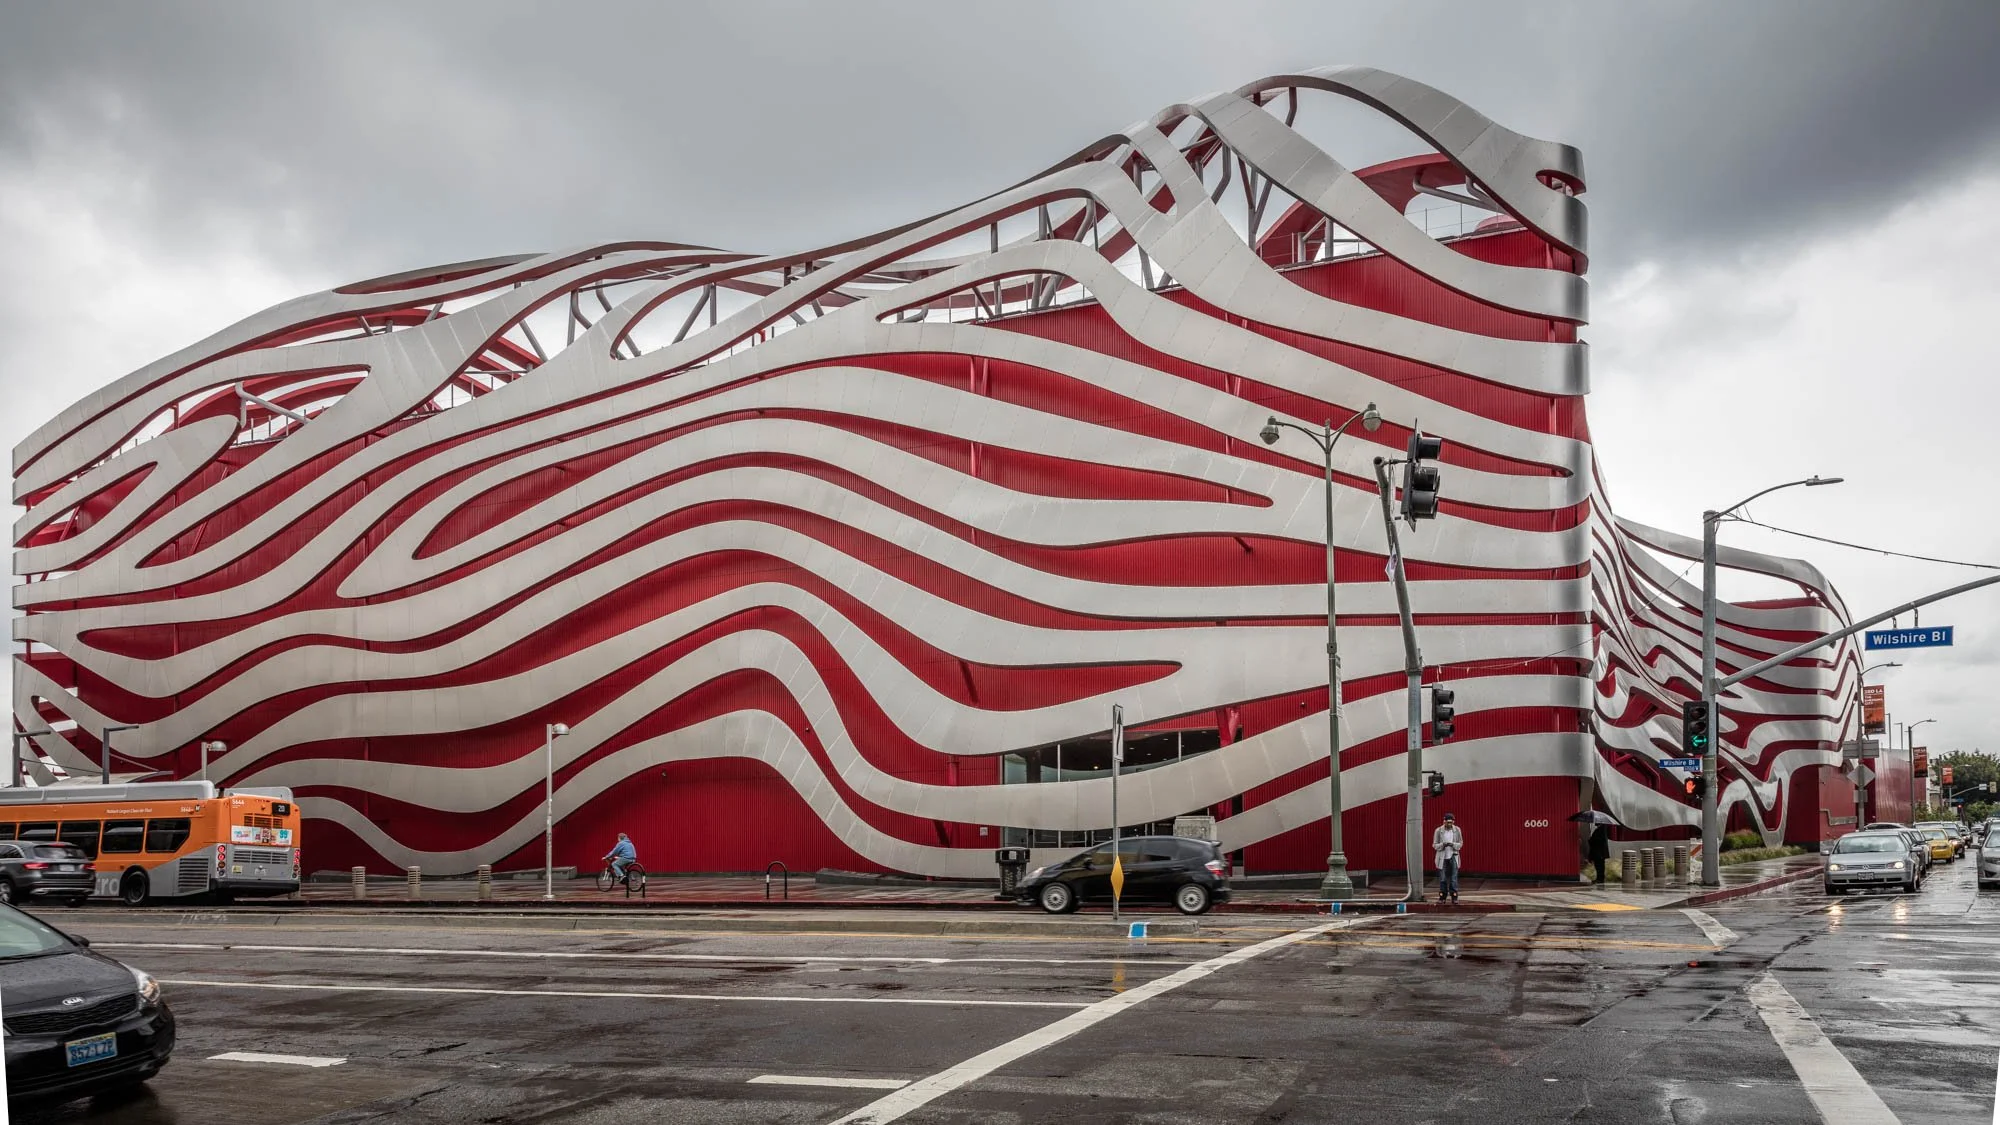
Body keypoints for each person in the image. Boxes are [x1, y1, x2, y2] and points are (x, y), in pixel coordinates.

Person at [1432, 813, 1463, 904]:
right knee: (1443, 878)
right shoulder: (1438, 831)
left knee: (1453, 878)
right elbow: (1434, 845)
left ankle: (1454, 897)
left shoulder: (1457, 830)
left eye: (1451, 822)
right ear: (1444, 821)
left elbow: (1460, 843)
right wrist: (1443, 845)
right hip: (1442, 857)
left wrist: (1453, 844)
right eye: (1447, 822)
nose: (1449, 824)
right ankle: (1442, 897)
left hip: (1453, 855)